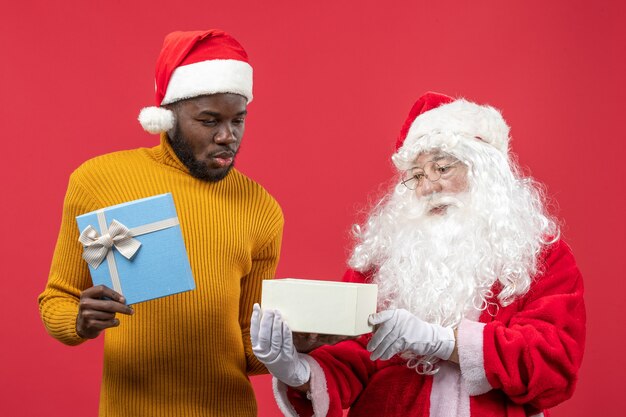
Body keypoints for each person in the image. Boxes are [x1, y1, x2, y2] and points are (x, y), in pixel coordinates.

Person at [251, 92, 585, 416]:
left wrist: (443, 341)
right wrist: (299, 372)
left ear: (486, 173)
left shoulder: (538, 254)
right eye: (417, 175)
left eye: (442, 169)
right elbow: (352, 355)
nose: (427, 188)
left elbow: (553, 365)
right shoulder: (386, 254)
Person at [38, 29, 284, 417]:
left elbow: (248, 350)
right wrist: (79, 321)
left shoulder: (261, 208)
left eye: (238, 120)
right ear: (168, 117)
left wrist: (292, 346)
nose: (227, 136)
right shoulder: (99, 180)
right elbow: (57, 298)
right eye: (209, 120)